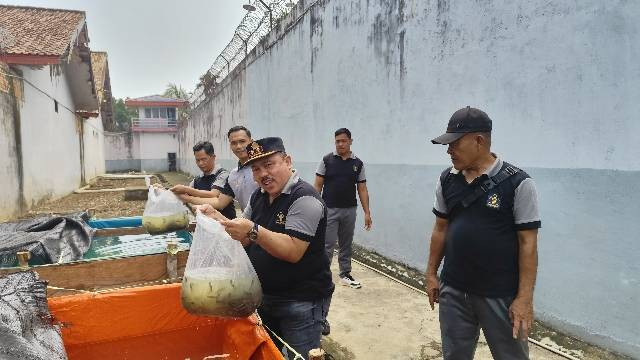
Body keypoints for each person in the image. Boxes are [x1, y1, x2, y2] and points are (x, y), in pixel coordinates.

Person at [199, 137, 333, 357]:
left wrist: (253, 230)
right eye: (256, 169)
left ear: (287, 161)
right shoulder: (259, 196)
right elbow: (244, 238)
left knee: (299, 355)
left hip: (300, 302)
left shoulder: (305, 198)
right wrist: (217, 218)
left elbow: (292, 251)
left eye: (269, 165)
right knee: (268, 352)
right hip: (265, 297)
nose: (263, 174)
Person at [425, 106, 541, 360]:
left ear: (479, 141)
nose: (449, 151)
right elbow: (440, 229)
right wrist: (432, 274)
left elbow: (528, 243)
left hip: (500, 295)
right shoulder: (447, 180)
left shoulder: (519, 183)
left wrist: (524, 299)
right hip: (454, 290)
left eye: (454, 143)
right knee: (454, 355)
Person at [314, 128, 372, 289]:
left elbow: (362, 189)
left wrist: (367, 212)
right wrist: (315, 208)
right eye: (337, 141)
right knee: (328, 244)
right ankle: (322, 276)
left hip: (349, 210)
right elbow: (317, 185)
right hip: (329, 209)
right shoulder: (327, 160)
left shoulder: (357, 163)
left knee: (346, 244)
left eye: (343, 141)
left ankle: (345, 273)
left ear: (350, 141)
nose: (340, 144)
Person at [196, 126, 258, 213]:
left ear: (251, 142)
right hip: (248, 223)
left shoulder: (263, 169)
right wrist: (186, 198)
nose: (238, 146)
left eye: (242, 141)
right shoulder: (233, 175)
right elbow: (220, 203)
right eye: (234, 143)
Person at [170, 141, 236, 220]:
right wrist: (164, 191)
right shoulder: (197, 179)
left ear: (213, 157)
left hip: (225, 225)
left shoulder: (223, 175)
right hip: (206, 225)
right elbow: (183, 195)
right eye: (198, 160)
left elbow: (213, 194)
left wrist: (185, 189)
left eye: (204, 159)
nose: (201, 163)